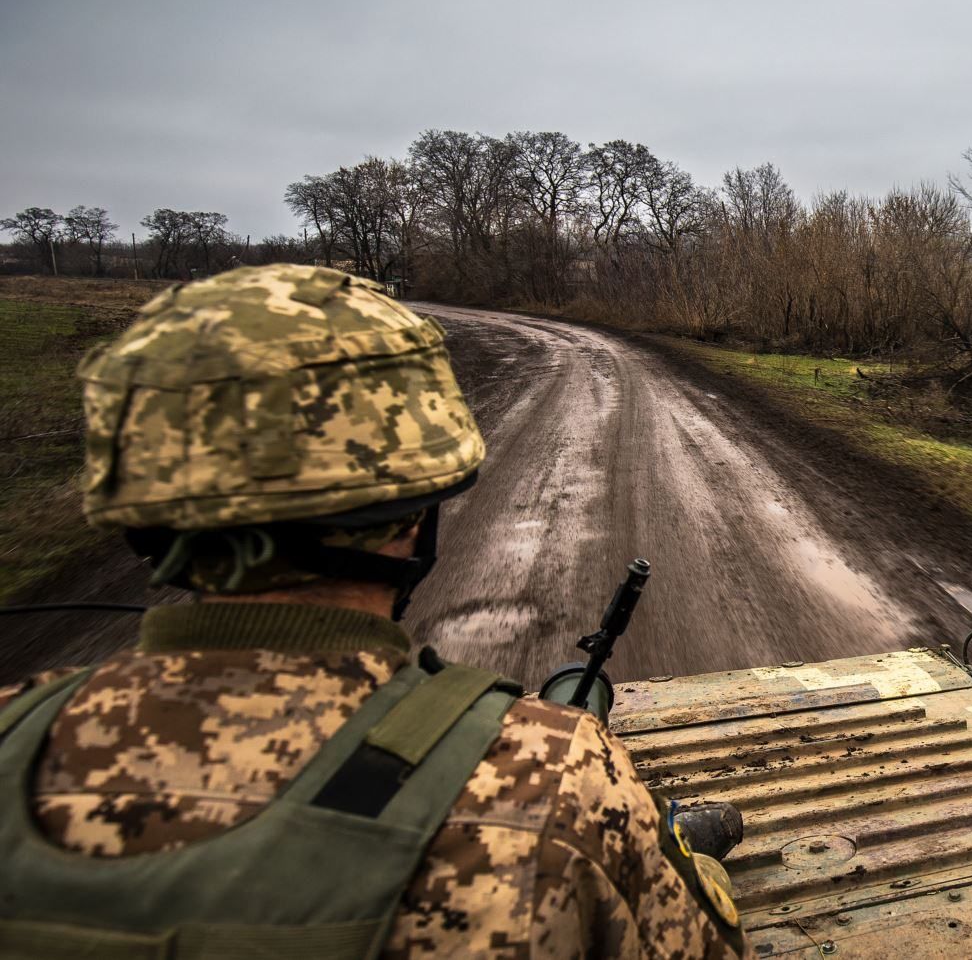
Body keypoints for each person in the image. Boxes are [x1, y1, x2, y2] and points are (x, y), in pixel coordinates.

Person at [0, 264, 744, 958]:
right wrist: (665, 847)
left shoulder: (14, 728)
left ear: (148, 522)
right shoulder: (550, 779)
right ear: (413, 518)